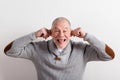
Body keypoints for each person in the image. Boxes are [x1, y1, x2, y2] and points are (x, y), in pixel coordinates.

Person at [4, 17, 115, 80]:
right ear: (50, 33)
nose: (61, 35)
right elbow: (10, 51)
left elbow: (109, 56)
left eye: (65, 30)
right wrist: (35, 35)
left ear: (71, 33)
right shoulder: (37, 49)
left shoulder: (82, 50)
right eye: (56, 30)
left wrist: (87, 36)